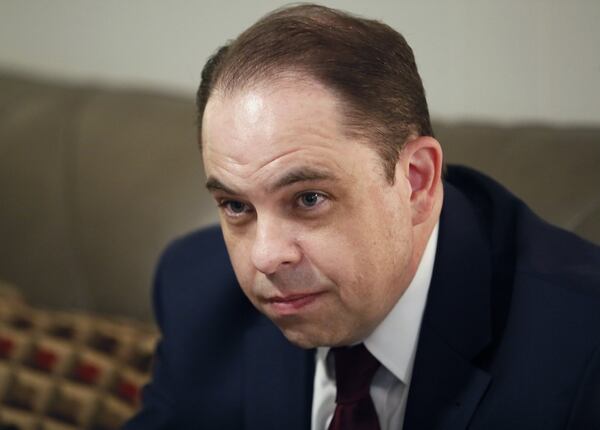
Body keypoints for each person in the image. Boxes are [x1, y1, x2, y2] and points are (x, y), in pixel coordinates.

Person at [124, 4, 600, 430]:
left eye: (308, 198)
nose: (266, 257)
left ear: (416, 181)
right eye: (236, 206)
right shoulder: (199, 295)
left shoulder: (580, 344)